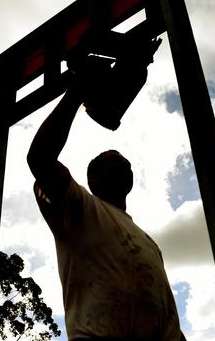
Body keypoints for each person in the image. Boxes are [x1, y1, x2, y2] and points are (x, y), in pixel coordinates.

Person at [27, 60, 183, 340]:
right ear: (93, 179)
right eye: (113, 161)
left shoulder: (148, 242)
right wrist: (76, 92)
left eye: (126, 164)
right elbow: (40, 158)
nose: (125, 164)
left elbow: (166, 309)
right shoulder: (80, 207)